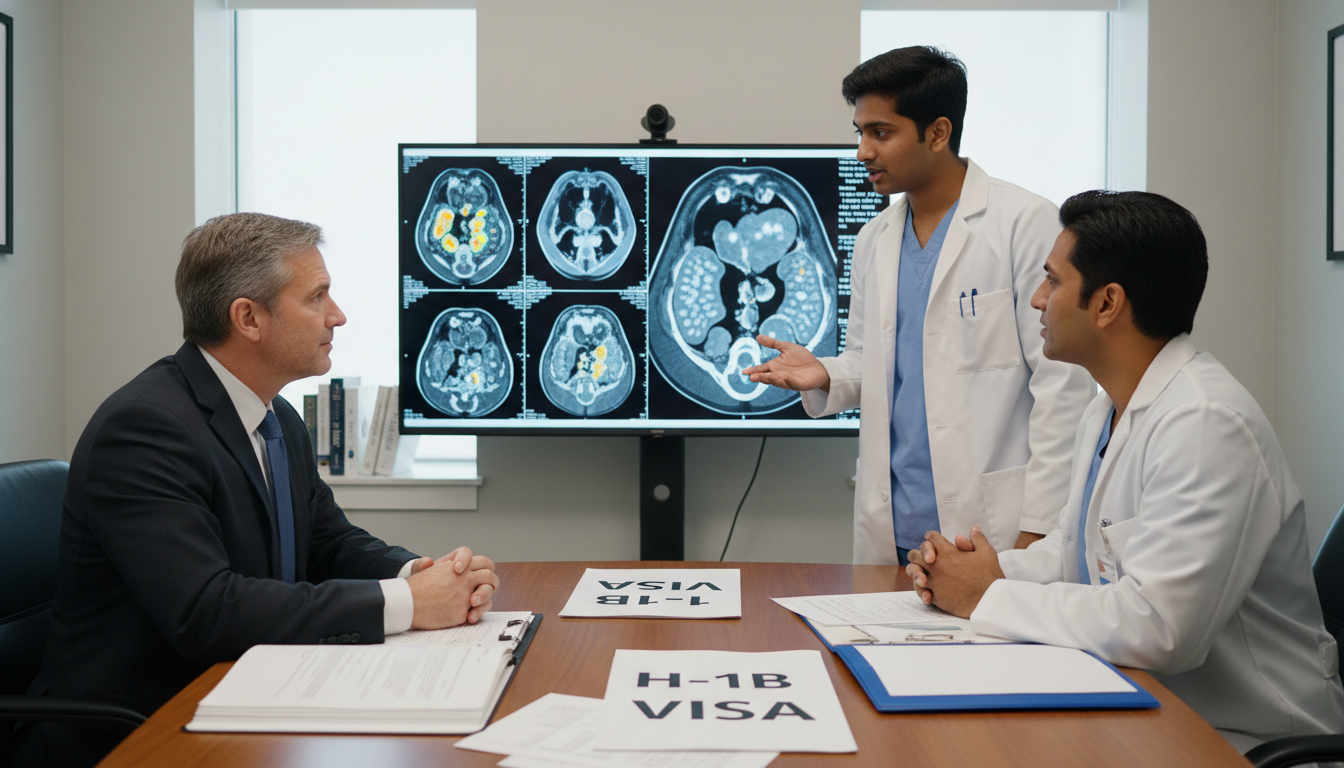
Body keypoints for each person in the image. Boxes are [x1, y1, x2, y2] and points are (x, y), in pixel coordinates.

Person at [16, 213, 501, 767]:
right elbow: (208, 611)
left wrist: (421, 573)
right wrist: (410, 604)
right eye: (316, 297)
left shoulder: (276, 418)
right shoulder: (143, 429)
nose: (338, 316)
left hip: (248, 695)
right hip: (137, 732)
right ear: (248, 318)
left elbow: (328, 542)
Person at [906, 190, 1344, 748]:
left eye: (1052, 281)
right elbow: (1076, 552)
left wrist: (985, 594)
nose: (1036, 299)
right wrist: (979, 571)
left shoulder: (1207, 423)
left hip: (1245, 736)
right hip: (1144, 706)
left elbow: (1159, 628)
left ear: (1108, 303)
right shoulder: (1109, 409)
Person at [744, 47, 1093, 564]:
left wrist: (1038, 527)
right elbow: (876, 360)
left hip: (992, 530)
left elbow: (1063, 386)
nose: (862, 151)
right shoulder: (874, 238)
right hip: (895, 526)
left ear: (938, 132)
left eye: (880, 133)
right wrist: (826, 373)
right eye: (859, 132)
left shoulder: (1025, 223)